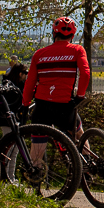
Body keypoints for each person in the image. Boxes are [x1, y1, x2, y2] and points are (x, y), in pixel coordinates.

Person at [21, 19, 90, 172]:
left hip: (43, 106)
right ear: (72, 35)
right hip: (65, 105)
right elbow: (85, 73)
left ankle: (36, 181)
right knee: (78, 133)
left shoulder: (39, 54)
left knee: (37, 147)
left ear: (53, 33)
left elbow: (30, 83)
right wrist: (79, 96)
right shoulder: (77, 50)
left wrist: (25, 104)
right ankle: (87, 164)